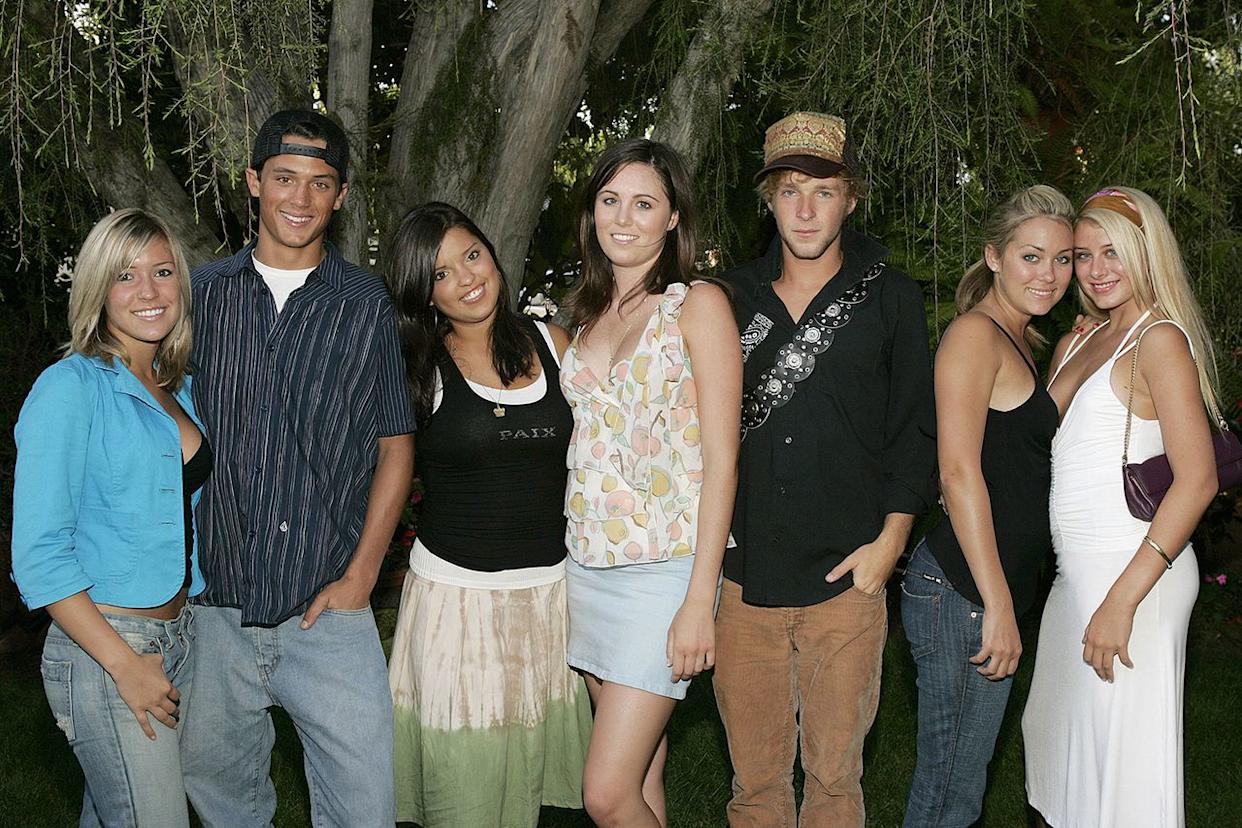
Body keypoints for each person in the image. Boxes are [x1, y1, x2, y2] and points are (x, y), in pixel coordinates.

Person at [178, 109, 416, 827]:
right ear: (254, 182)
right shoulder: (200, 294)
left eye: (320, 183)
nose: (300, 199)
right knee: (224, 806)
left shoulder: (363, 303)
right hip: (213, 608)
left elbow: (395, 445)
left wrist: (362, 577)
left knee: (364, 807)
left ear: (340, 196)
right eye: (284, 178)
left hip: (328, 608)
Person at [713, 111, 936, 827]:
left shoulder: (891, 298)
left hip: (848, 576)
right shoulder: (726, 299)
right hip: (744, 581)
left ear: (852, 198)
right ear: (768, 201)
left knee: (836, 782)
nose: (805, 208)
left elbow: (915, 432)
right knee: (754, 786)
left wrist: (888, 546)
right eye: (788, 191)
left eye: (823, 190)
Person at [383, 202, 593, 827]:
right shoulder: (415, 369)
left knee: (554, 795)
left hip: (550, 600)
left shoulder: (553, 344)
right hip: (457, 603)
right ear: (425, 293)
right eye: (442, 273)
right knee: (465, 792)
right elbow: (374, 472)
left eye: (472, 255)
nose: (467, 278)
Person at [1022, 187, 1219, 827]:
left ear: (1147, 253)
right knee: (1064, 757)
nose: (1098, 269)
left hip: (1136, 578)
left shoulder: (1159, 341)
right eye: (1083, 255)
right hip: (1075, 576)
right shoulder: (1079, 340)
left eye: (1115, 252)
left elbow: (1197, 481)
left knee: (1122, 783)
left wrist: (1120, 601)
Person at [560, 138, 741, 827]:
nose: (624, 218)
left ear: (672, 219)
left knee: (605, 796)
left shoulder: (697, 306)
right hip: (589, 568)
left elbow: (724, 460)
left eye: (644, 203)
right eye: (610, 201)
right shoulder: (583, 315)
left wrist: (700, 597)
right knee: (641, 780)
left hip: (663, 574)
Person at [12, 208, 208, 826]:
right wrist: (125, 663)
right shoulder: (69, 387)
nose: (148, 291)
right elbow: (39, 556)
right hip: (107, 647)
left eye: (162, 271)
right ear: (98, 290)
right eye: (125, 276)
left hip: (180, 638)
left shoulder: (180, 390)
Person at [900, 185, 1075, 827]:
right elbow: (957, 473)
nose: (1049, 274)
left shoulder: (1019, 338)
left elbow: (1021, 447)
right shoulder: (975, 335)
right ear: (994, 256)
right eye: (1032, 256)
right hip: (960, 594)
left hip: (982, 592)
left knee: (961, 789)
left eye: (1063, 259)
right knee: (946, 790)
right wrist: (997, 605)